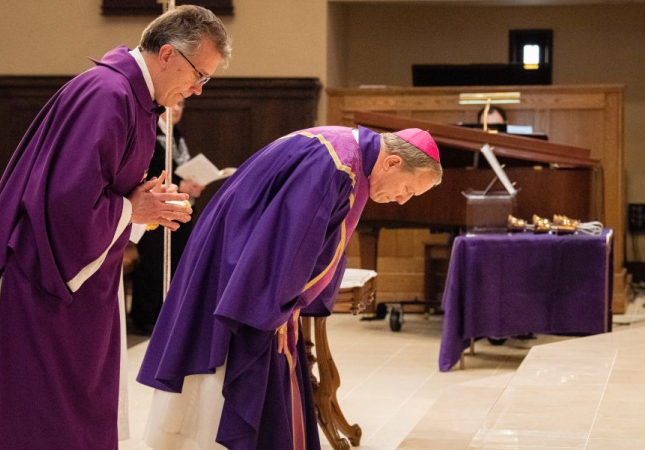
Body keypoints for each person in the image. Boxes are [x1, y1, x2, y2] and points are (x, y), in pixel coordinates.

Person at [0, 6, 231, 449]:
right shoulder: (108, 95)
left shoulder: (133, 99)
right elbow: (66, 207)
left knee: (78, 409)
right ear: (167, 55)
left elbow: (103, 190)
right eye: (199, 74)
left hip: (80, 283)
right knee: (47, 416)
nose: (198, 90)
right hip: (47, 283)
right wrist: (133, 211)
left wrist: (141, 208)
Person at [137, 125, 443, 450]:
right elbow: (291, 238)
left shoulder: (341, 148)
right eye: (407, 189)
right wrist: (279, 305)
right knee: (232, 375)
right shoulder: (337, 165)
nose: (400, 200)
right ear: (393, 163)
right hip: (246, 280)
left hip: (239, 261)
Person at [130, 99, 206, 335]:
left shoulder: (176, 134)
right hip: (153, 205)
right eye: (175, 104)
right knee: (154, 262)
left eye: (183, 106)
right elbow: (149, 170)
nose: (178, 110)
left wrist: (190, 184)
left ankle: (167, 312)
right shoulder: (150, 132)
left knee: (176, 260)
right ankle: (146, 316)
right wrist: (177, 182)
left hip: (176, 204)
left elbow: (181, 165)